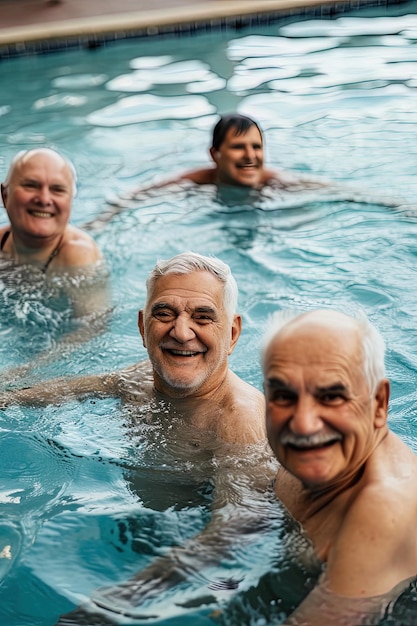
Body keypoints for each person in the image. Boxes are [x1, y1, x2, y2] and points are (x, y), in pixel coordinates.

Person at [261, 308, 417, 625]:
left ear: (379, 404)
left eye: (332, 396)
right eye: (284, 395)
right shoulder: (309, 455)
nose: (304, 424)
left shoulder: (385, 507)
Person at [0, 147, 109, 381]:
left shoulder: (78, 256)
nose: (44, 199)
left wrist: (24, 373)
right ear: (4, 194)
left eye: (57, 190)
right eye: (31, 185)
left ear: (70, 201)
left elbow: (91, 329)